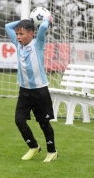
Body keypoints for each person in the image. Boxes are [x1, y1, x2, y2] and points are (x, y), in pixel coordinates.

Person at [5, 16, 58, 162]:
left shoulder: (38, 44)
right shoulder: (18, 44)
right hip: (24, 91)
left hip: (40, 91)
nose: (18, 37)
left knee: (43, 123)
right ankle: (34, 147)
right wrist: (26, 19)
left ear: (31, 34)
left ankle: (52, 152)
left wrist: (46, 19)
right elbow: (7, 26)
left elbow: (42, 28)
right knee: (19, 120)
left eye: (21, 34)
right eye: (17, 34)